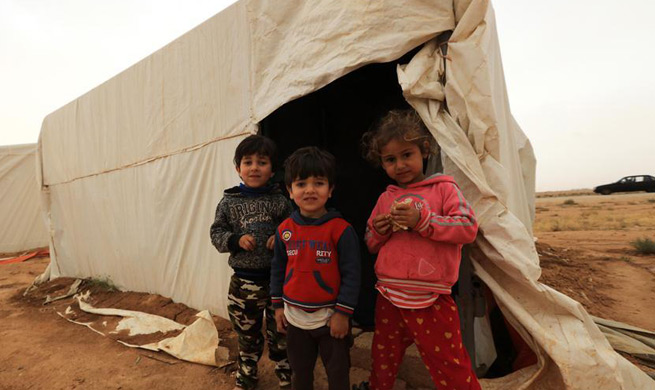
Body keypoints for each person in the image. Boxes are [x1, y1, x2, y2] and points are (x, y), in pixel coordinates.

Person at [360, 110, 481, 390]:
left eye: (406, 154)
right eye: (390, 159)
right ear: (382, 163)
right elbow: (369, 243)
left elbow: (467, 228)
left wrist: (423, 221)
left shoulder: (444, 190)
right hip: (389, 295)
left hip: (431, 299)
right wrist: (380, 229)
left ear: (424, 150)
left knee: (449, 364)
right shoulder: (385, 198)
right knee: (383, 359)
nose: (400, 164)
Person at [270, 146, 361, 390]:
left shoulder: (341, 230)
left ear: (330, 190)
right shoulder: (284, 230)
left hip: (330, 319)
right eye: (301, 184)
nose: (310, 190)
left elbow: (352, 274)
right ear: (290, 191)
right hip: (294, 319)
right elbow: (278, 269)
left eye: (318, 183)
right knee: (300, 373)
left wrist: (343, 314)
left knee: (338, 373)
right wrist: (278, 307)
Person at [210, 134, 293, 390]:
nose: (254, 167)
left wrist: (280, 236)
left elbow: (294, 230)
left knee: (281, 332)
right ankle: (247, 373)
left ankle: (286, 374)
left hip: (279, 282)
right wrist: (234, 240)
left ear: (272, 170)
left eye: (262, 162)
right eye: (248, 162)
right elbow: (216, 234)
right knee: (247, 335)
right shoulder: (228, 202)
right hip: (244, 284)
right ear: (238, 168)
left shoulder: (281, 201)